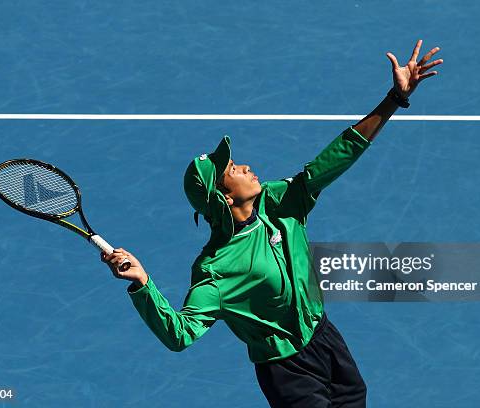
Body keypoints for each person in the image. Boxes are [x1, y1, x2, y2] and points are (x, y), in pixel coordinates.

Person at [102, 40, 442, 407]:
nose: (245, 167)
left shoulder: (281, 202)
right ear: (224, 198)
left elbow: (338, 155)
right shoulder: (216, 270)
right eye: (233, 170)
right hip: (287, 371)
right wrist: (143, 285)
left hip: (325, 338)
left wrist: (395, 97)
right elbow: (179, 335)